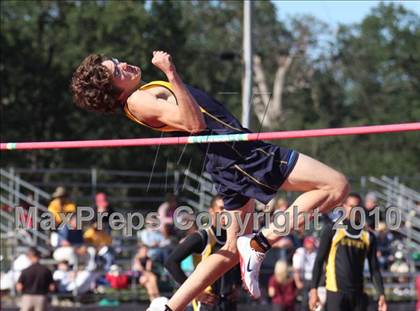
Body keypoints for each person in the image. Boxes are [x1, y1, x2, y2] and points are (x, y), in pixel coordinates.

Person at [71, 51, 349, 310]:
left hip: (225, 158)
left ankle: (169, 308)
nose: (124, 64)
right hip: (241, 156)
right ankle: (261, 242)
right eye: (117, 70)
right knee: (335, 185)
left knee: (230, 250)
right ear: (113, 91)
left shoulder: (139, 96)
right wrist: (171, 72)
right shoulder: (138, 100)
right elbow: (195, 125)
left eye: (117, 61)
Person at [309, 193, 387, 311]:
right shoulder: (332, 230)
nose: (354, 210)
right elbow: (319, 260)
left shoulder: (368, 236)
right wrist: (313, 289)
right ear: (344, 207)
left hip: (358, 293)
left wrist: (381, 294)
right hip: (336, 291)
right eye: (351, 206)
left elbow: (374, 267)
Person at [164, 195, 241, 311]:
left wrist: (237, 285)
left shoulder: (235, 238)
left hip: (229, 303)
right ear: (211, 212)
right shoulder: (202, 237)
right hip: (207, 304)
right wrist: (195, 293)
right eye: (221, 208)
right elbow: (170, 262)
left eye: (228, 209)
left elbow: (236, 264)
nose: (225, 212)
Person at [292, 236, 317, 311]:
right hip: (303, 279)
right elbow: (296, 269)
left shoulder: (316, 252)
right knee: (304, 301)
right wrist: (298, 281)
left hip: (314, 279)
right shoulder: (300, 252)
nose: (312, 246)